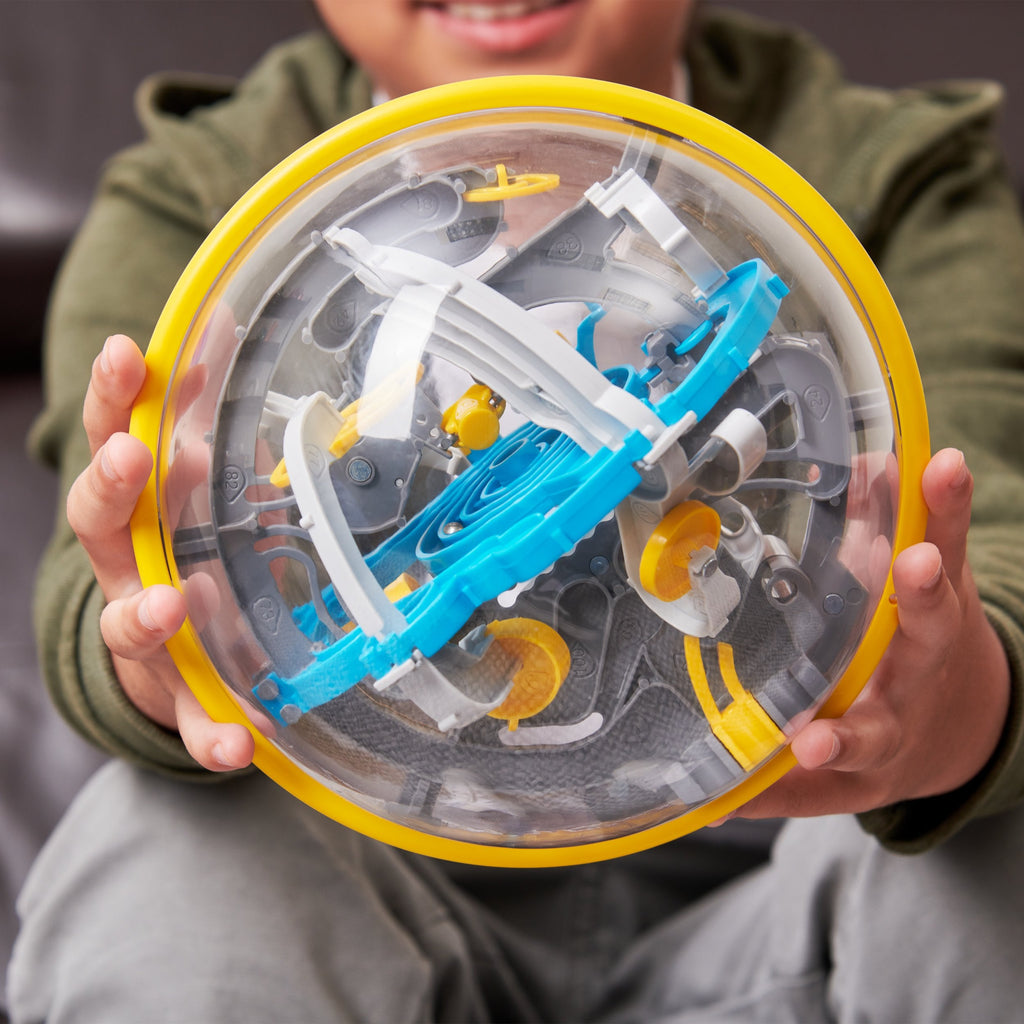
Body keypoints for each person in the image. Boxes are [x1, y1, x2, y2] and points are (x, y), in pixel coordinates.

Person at [9, 1, 1024, 1020]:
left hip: (770, 882)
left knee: (993, 858)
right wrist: (162, 653)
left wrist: (969, 707)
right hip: (360, 898)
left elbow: (994, 545)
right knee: (154, 851)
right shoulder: (198, 190)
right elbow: (89, 592)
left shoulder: (895, 173)